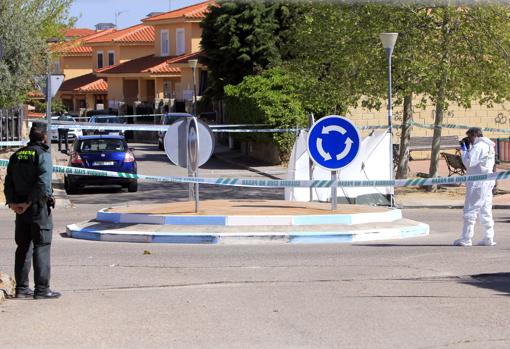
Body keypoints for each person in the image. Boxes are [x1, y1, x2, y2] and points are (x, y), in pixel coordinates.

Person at [4, 123, 61, 299]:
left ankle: (21, 289)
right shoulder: (43, 154)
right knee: (41, 246)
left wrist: (14, 203)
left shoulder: (17, 155)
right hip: (37, 208)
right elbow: (43, 184)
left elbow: (8, 182)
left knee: (23, 247)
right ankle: (42, 290)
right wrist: (28, 203)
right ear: (44, 137)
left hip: (20, 211)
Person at [453, 127, 496, 247]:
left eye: (469, 138)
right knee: (485, 209)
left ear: (474, 135)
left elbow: (469, 163)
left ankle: (466, 238)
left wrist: (464, 151)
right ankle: (488, 236)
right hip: (487, 180)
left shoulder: (479, 146)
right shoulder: (488, 146)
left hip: (478, 182)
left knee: (470, 209)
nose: (469, 141)